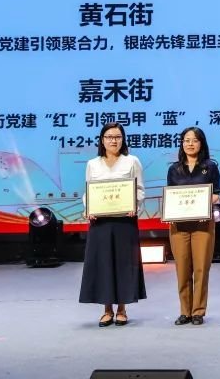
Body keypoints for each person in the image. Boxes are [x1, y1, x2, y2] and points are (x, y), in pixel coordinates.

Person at [79, 122, 146, 327]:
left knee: (124, 263)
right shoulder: (93, 164)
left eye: (117, 137)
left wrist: (134, 205)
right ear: (102, 140)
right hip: (100, 223)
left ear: (123, 139)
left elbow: (140, 190)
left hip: (124, 221)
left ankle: (122, 309)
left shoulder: (132, 161)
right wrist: (89, 208)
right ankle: (107, 310)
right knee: (103, 264)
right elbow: (88, 192)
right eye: (109, 137)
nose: (113, 141)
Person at [166, 126, 220, 326]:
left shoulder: (210, 167)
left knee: (201, 268)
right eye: (186, 140)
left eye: (195, 140)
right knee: (182, 269)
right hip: (178, 226)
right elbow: (170, 196)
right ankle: (185, 311)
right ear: (182, 144)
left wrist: (203, 206)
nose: (190, 144)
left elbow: (216, 194)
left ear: (201, 143)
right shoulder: (174, 169)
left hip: (202, 225)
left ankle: (198, 311)